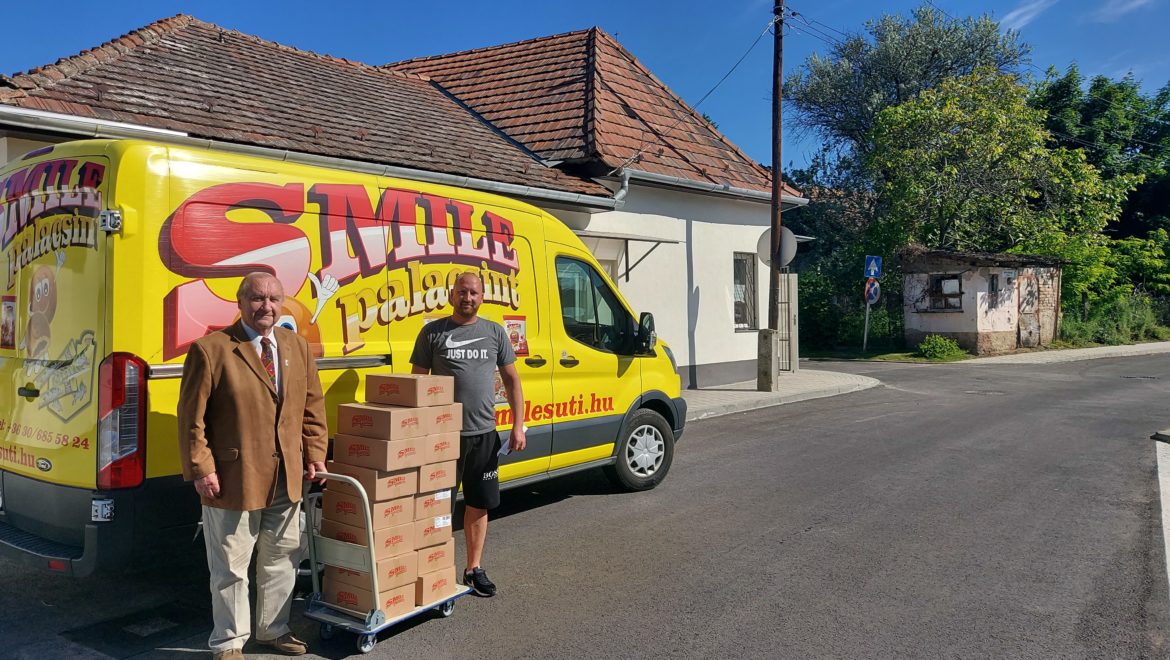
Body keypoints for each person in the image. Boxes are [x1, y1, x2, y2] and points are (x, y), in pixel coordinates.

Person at [178, 272, 328, 659]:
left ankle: (273, 630)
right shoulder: (211, 350)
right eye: (258, 298)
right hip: (233, 478)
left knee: (282, 558)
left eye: (274, 299)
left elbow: (312, 406)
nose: (267, 306)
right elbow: (191, 419)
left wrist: (315, 453)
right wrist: (201, 467)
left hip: (287, 475)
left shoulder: (296, 346)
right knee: (230, 566)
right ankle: (229, 642)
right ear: (241, 301)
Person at [411, 271, 526, 597]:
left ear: (482, 297)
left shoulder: (494, 332)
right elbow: (416, 383)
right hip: (442, 437)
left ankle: (473, 569)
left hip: (484, 435)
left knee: (479, 504)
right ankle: (434, 572)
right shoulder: (433, 333)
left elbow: (512, 381)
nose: (468, 298)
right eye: (462, 291)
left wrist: (517, 425)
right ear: (452, 295)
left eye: (473, 292)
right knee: (438, 507)